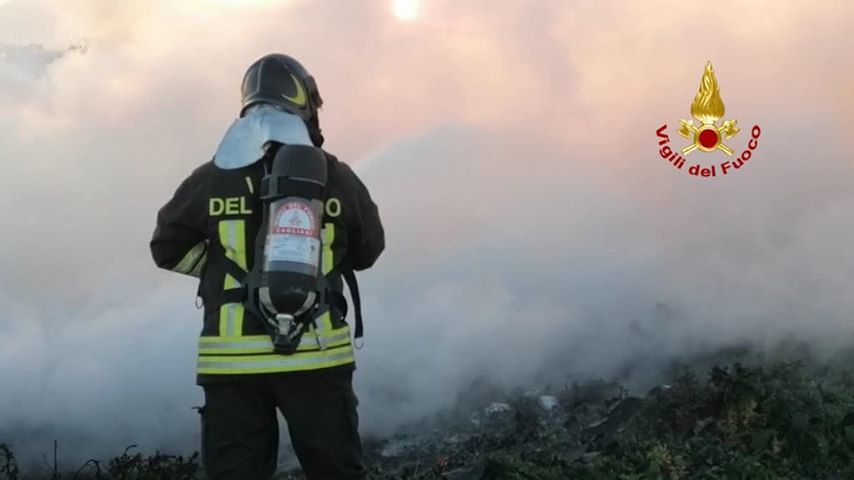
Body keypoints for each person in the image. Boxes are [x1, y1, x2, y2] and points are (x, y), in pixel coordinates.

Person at [150, 53, 384, 480]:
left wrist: (220, 272)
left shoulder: (209, 180)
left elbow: (165, 247)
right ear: (305, 107)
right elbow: (369, 250)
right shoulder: (336, 177)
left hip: (230, 365)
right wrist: (317, 265)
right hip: (316, 355)